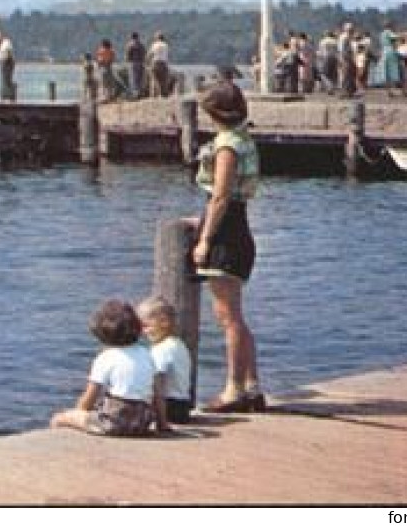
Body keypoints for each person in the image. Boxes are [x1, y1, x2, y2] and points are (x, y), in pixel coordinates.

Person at [191, 81, 265, 413]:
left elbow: (220, 196)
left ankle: (233, 390)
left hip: (227, 231)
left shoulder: (227, 146)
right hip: (240, 225)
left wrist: (205, 239)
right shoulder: (245, 139)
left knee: (227, 317)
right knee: (235, 315)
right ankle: (251, 386)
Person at [49, 299, 165, 436]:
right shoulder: (146, 354)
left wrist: (78, 413)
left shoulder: (106, 357)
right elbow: (157, 393)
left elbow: (91, 395)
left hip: (113, 422)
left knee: (59, 418)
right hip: (142, 421)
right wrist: (163, 423)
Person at [136, 296, 194, 425]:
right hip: (183, 406)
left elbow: (158, 386)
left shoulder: (162, 350)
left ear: (164, 322)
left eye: (146, 326)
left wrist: (160, 419)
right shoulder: (179, 344)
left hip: (168, 406)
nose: (142, 332)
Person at [378, 23, 403, 91]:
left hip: (384, 52)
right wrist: (403, 34)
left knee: (385, 72)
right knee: (395, 71)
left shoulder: (382, 34)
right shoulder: (389, 32)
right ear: (390, 26)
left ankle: (388, 90)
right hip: (391, 52)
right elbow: (396, 37)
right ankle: (401, 89)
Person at [0, 30, 16, 101]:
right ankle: (6, 96)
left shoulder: (6, 42)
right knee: (5, 80)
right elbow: (0, 56)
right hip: (4, 63)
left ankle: (8, 96)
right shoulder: (0, 45)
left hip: (8, 62)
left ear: (0, 37)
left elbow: (7, 53)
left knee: (7, 80)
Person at [148, 32, 172, 97]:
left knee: (154, 79)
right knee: (164, 80)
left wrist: (147, 62)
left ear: (156, 38)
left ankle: (153, 95)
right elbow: (168, 55)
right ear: (163, 38)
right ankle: (163, 94)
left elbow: (150, 54)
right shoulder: (166, 45)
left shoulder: (154, 45)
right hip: (163, 63)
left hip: (155, 63)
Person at [125, 32, 147, 99]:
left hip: (133, 63)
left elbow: (128, 54)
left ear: (132, 37)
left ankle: (135, 94)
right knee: (140, 79)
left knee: (133, 79)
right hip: (141, 63)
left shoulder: (130, 44)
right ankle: (140, 93)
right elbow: (145, 53)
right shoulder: (141, 45)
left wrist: (127, 61)